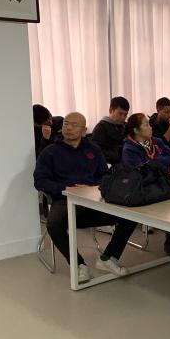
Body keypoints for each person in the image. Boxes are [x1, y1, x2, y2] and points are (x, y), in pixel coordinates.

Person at [33, 112, 139, 283]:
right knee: (53, 224)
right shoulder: (50, 152)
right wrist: (65, 188)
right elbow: (39, 181)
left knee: (131, 214)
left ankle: (108, 258)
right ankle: (78, 265)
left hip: (93, 200)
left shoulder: (93, 150)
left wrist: (90, 187)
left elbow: (104, 176)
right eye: (66, 123)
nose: (68, 127)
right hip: (65, 200)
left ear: (83, 130)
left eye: (74, 125)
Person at [122, 113, 170, 257]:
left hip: (162, 181)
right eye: (146, 125)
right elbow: (141, 172)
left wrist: (154, 161)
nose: (151, 127)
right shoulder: (129, 149)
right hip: (144, 186)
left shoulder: (156, 142)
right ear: (136, 130)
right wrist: (159, 161)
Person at [91, 96, 130, 165]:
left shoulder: (126, 126)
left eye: (125, 114)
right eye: (120, 114)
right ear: (111, 111)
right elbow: (97, 151)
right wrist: (120, 154)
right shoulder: (101, 128)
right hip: (112, 164)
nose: (123, 117)